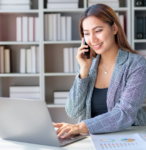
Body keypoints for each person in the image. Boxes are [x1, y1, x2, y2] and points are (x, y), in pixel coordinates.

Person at [53, 4, 146, 139]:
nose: (92, 39)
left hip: (129, 138)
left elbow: (125, 113)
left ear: (114, 28)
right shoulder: (88, 64)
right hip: (93, 139)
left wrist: (81, 127)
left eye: (98, 30)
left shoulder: (136, 64)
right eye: (86, 33)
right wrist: (84, 71)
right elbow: (73, 111)